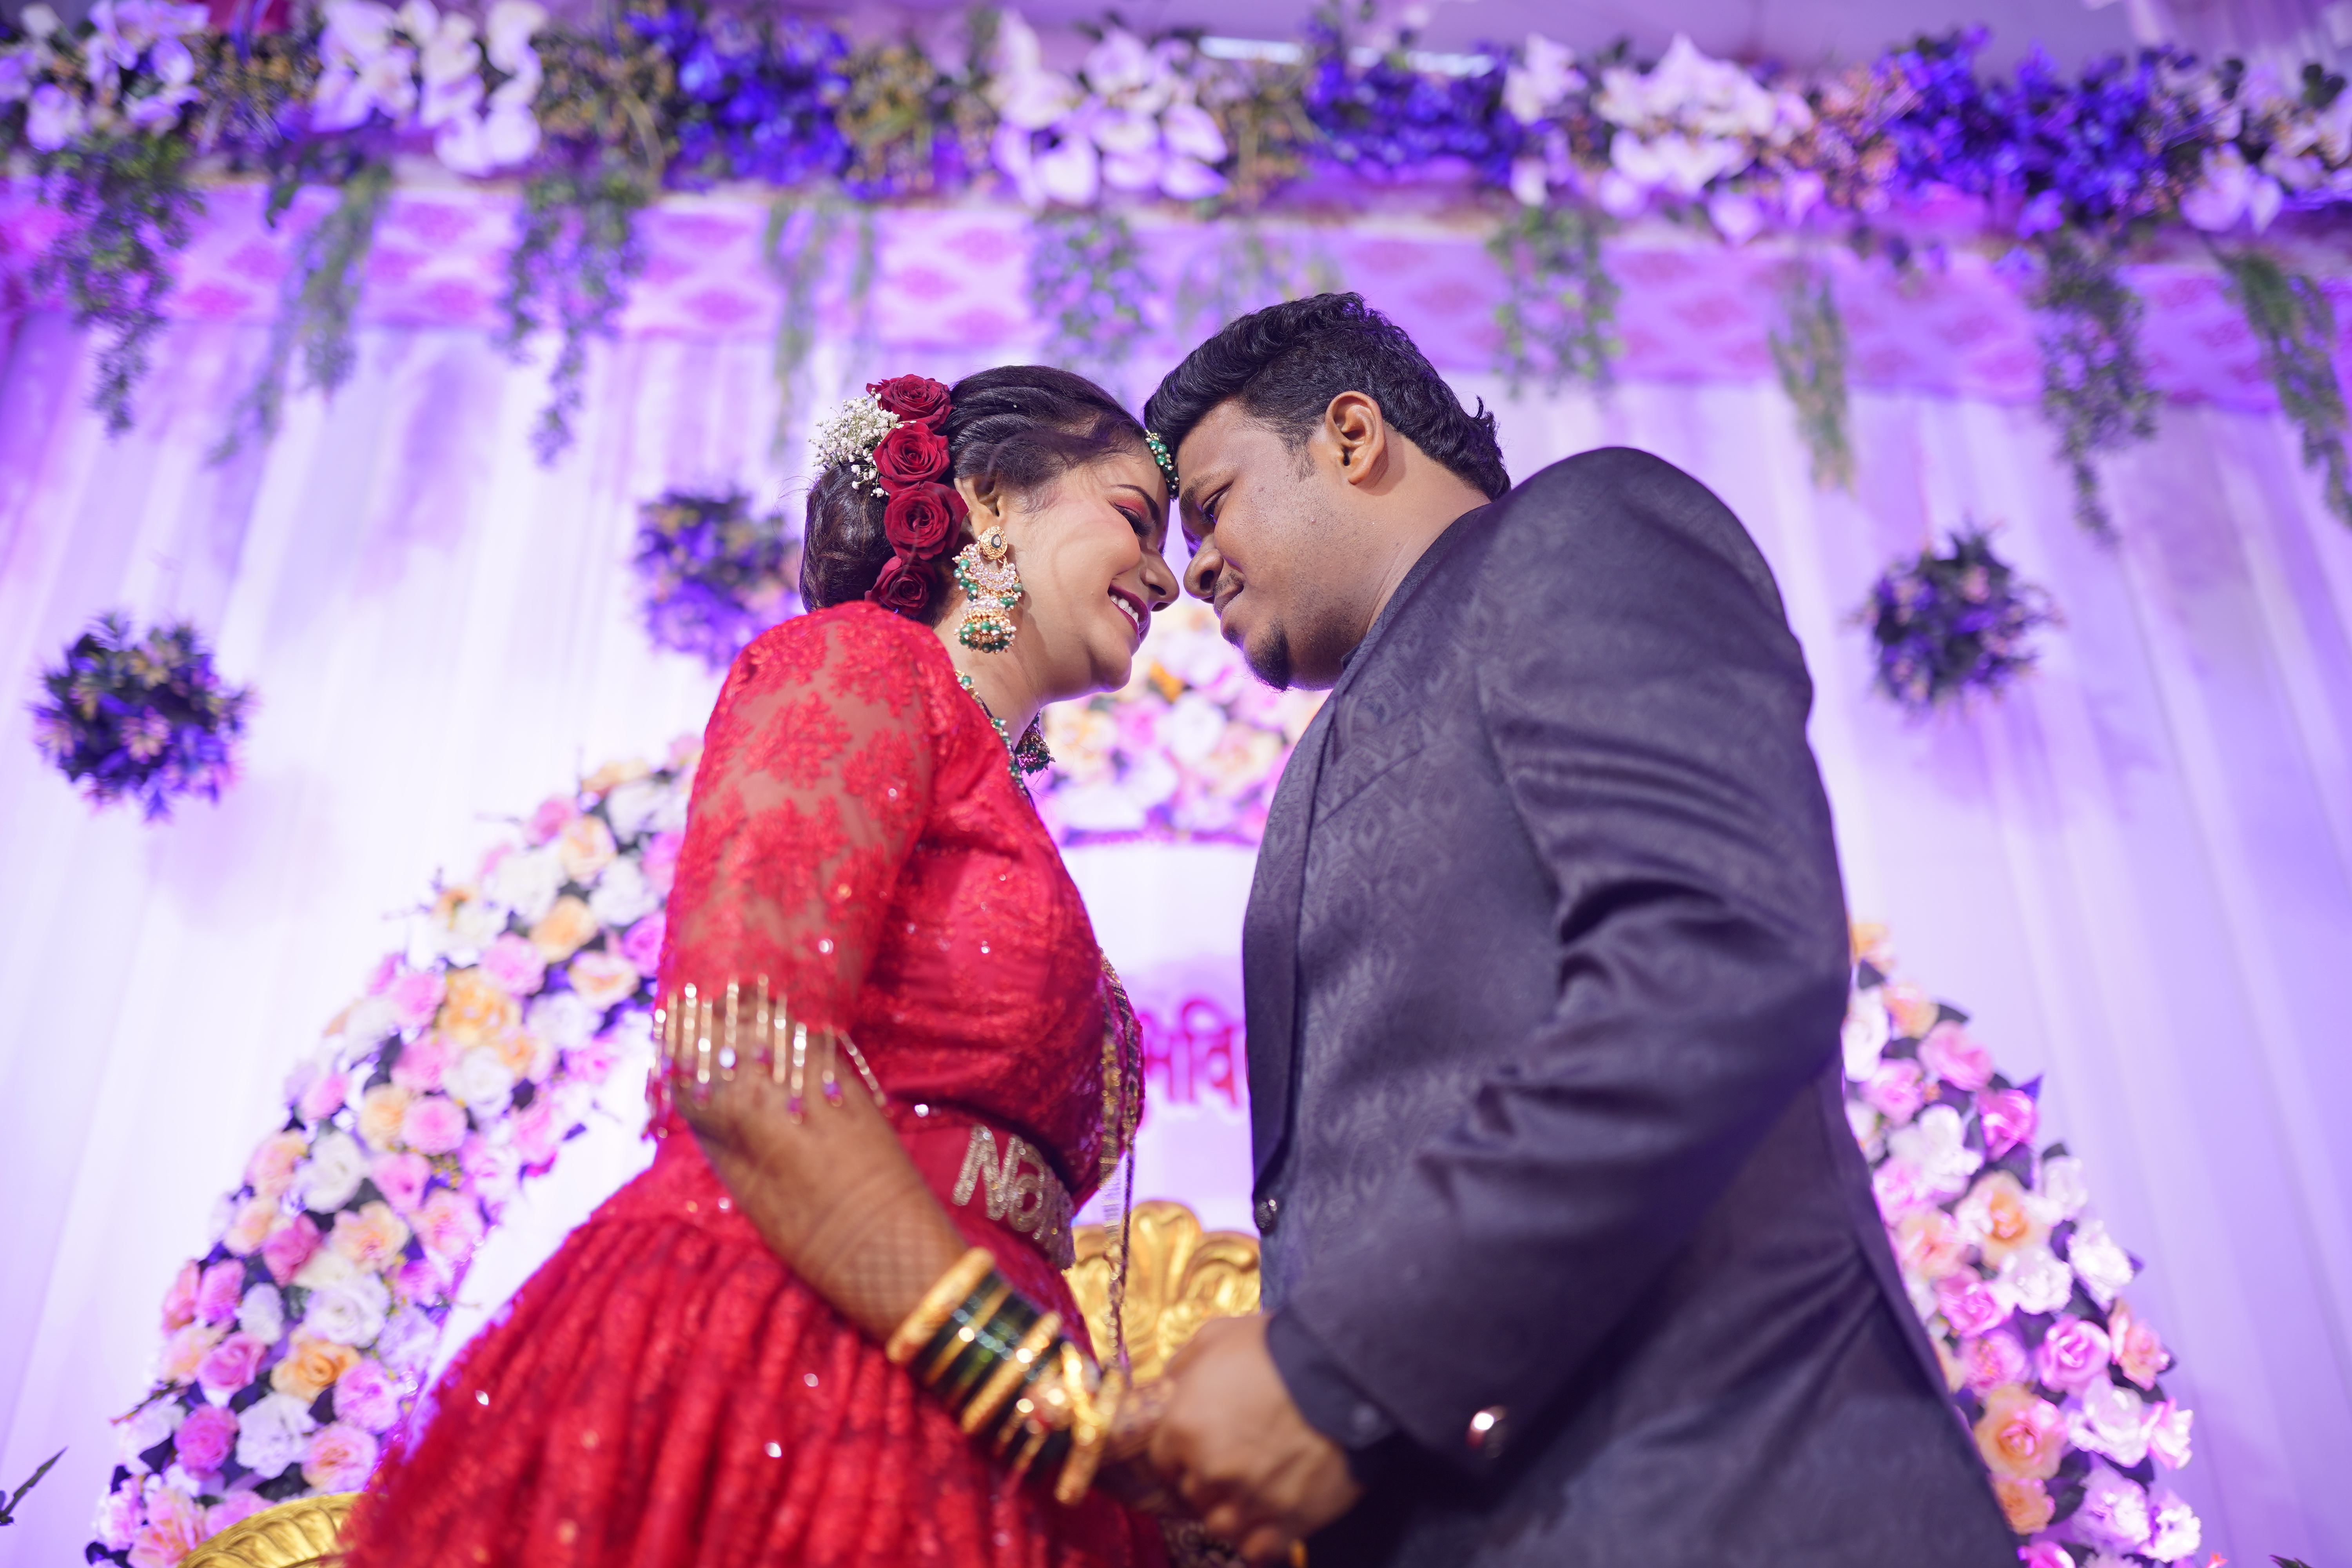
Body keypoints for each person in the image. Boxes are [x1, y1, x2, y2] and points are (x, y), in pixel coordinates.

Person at [1134, 295, 2016, 1567]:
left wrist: (1332, 1371)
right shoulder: (1337, 735)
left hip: (1714, 1497)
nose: (1193, 569)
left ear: (1350, 434)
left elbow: (1718, 956)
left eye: (1213, 504)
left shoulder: (1577, 533)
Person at [342, 367, 1184, 1567]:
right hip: (799, 1340)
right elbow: (742, 1051)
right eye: (1134, 517)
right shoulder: (855, 669)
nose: (1164, 576)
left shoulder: (1003, 801)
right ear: (992, 499)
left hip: (980, 1409)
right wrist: (1007, 1367)